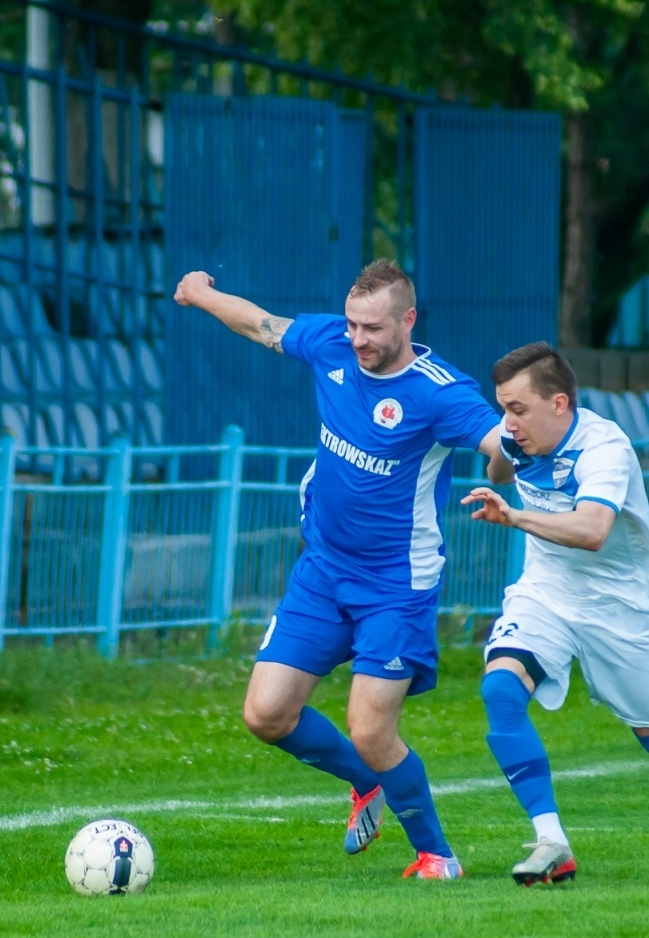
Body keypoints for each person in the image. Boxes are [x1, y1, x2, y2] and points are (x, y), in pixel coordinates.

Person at [173, 259, 507, 880]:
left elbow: (500, 442)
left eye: (373, 328)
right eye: (352, 324)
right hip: (323, 569)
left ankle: (437, 856)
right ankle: (365, 784)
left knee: (370, 727)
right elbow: (262, 325)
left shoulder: (438, 392)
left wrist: (501, 475)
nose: (358, 340)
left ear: (407, 320)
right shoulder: (333, 343)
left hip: (395, 586)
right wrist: (201, 295)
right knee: (266, 715)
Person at [462, 341, 649, 886]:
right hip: (546, 590)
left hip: (619, 605)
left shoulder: (605, 448)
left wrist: (515, 518)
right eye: (502, 408)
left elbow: (592, 531)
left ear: (560, 403)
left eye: (518, 409)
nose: (508, 420)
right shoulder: (518, 434)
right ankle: (551, 841)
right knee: (500, 689)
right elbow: (499, 467)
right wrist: (504, 448)